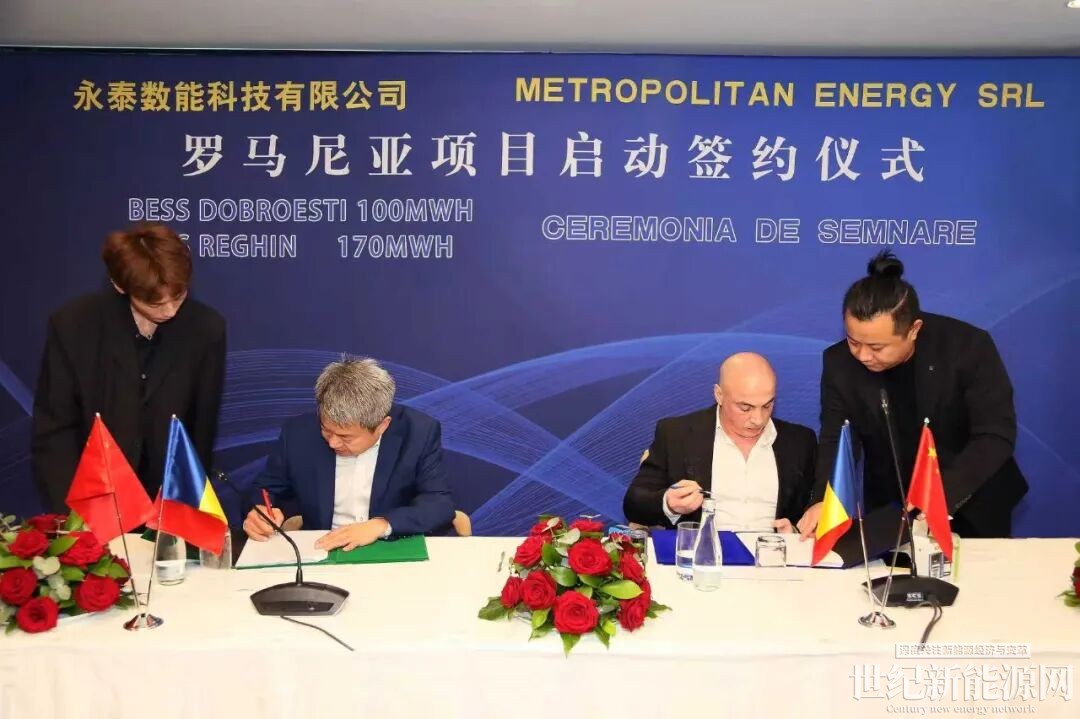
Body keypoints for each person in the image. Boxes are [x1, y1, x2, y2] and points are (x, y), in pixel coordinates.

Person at [797, 251, 1028, 539]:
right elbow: (837, 438)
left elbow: (995, 435)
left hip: (972, 498)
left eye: (877, 347)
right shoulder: (839, 362)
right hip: (891, 506)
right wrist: (824, 499)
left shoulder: (967, 348)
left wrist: (940, 495)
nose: (863, 355)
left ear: (913, 330)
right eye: (853, 341)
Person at [32, 223, 226, 510]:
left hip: (168, 504)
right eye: (154, 304)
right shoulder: (74, 326)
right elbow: (55, 431)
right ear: (120, 286)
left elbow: (200, 432)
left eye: (178, 296)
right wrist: (72, 516)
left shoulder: (206, 329)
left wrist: (186, 510)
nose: (170, 311)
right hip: (92, 500)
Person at [245, 357, 455, 551]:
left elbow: (439, 504)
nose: (333, 442)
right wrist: (260, 512)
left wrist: (382, 525)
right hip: (321, 549)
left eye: (346, 437)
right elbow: (264, 488)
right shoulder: (298, 433)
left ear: (382, 426)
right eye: (326, 430)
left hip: (391, 547)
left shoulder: (418, 432)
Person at [623, 352, 817, 531]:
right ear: (719, 395)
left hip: (774, 555)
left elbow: (819, 509)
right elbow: (634, 504)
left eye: (767, 405)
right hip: (702, 554)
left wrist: (796, 532)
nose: (758, 419)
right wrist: (668, 503)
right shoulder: (677, 434)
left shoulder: (800, 441)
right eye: (745, 408)